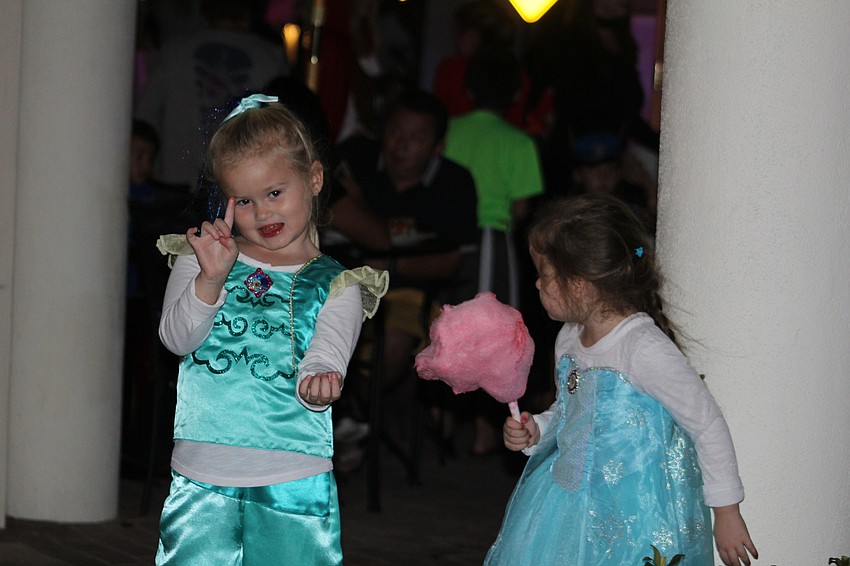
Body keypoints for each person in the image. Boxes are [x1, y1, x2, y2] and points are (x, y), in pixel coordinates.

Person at [154, 94, 387, 565]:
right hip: (202, 469)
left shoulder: (338, 284)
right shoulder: (200, 256)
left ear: (314, 179)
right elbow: (176, 340)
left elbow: (325, 357)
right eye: (244, 201)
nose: (262, 213)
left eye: (275, 193)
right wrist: (210, 280)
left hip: (292, 472)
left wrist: (321, 381)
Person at [484, 194, 758, 565]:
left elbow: (706, 424)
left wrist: (726, 512)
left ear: (578, 285)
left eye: (544, 276)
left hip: (633, 513)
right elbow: (570, 412)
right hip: (568, 505)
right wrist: (538, 429)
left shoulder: (642, 347)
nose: (536, 285)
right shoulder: (568, 338)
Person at [135, 0, 288, 188]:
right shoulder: (271, 57)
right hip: (244, 185)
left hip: (177, 182)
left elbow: (145, 117)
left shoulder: (174, 50)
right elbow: (282, 127)